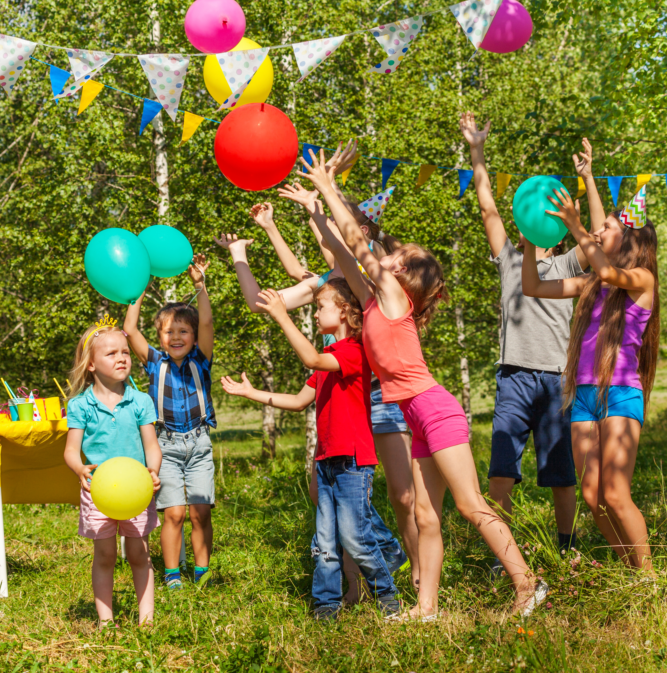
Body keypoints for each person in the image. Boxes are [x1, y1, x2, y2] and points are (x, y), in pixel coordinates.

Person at [299, 153, 547, 620]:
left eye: (397, 255)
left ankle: (528, 583)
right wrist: (316, 203)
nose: (386, 253)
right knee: (426, 516)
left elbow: (358, 241)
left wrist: (330, 190)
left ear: (404, 273)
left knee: (471, 505)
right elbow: (342, 249)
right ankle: (426, 608)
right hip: (415, 416)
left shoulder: (393, 297)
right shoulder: (374, 301)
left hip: (434, 409)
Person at [462, 114, 606, 560]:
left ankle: (565, 549)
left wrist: (588, 179)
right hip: (513, 380)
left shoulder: (567, 266)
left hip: (557, 383)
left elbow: (599, 238)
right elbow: (487, 205)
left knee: (560, 475)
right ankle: (500, 557)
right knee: (501, 473)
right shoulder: (508, 258)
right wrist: (477, 151)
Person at [220, 278, 402, 621]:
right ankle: (326, 605)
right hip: (326, 460)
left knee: (354, 537)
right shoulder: (330, 357)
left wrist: (281, 316)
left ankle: (387, 595)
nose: (315, 315)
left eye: (320, 308)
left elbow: (311, 359)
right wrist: (251, 393)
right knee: (325, 543)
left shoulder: (352, 352)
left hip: (351, 461)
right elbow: (298, 401)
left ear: (345, 311)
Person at [520, 183, 659, 571]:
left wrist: (577, 224)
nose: (598, 232)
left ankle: (649, 579)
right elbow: (532, 286)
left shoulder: (642, 279)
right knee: (594, 498)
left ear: (629, 238)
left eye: (608, 228)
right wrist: (531, 240)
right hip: (583, 396)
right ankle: (631, 571)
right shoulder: (592, 285)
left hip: (620, 394)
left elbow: (608, 269)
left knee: (615, 494)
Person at [123, 255, 215, 590]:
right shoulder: (153, 361)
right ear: (159, 336)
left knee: (200, 512)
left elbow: (207, 324)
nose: (176, 337)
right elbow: (129, 330)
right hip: (165, 445)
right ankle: (173, 574)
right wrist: (139, 290)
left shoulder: (201, 360)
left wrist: (199, 286)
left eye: (183, 331)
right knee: (174, 513)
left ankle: (203, 571)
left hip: (199, 443)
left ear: (192, 336)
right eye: (168, 331)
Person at [63, 319, 162, 628]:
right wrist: (79, 467)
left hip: (137, 490)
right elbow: (70, 450)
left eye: (125, 352)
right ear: (90, 364)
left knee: (139, 554)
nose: (122, 358)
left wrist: (154, 471)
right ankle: (106, 622)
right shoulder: (80, 405)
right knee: (104, 555)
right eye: (111, 354)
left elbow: (152, 447)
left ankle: (147, 622)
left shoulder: (141, 401)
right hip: (98, 491)